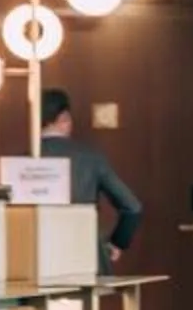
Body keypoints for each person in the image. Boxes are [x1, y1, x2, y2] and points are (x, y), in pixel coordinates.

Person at [38, 89, 143, 265]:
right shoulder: (90, 158)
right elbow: (132, 206)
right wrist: (118, 242)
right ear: (64, 117)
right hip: (85, 254)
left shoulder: (22, 160)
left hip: (37, 257)